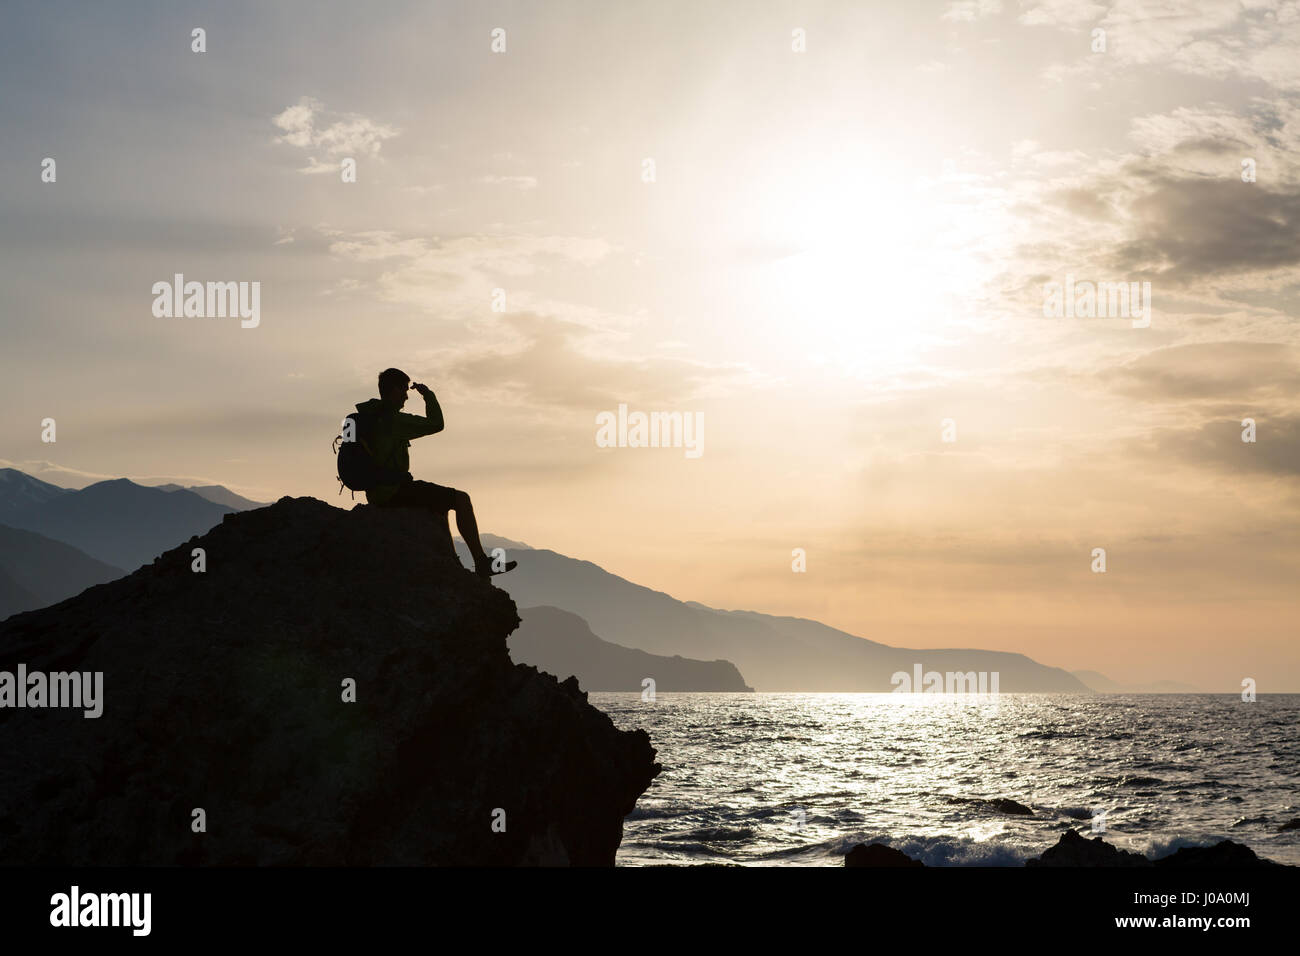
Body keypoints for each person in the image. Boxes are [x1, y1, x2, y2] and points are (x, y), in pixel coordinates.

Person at [355, 367, 516, 579]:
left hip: (377, 491)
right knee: (461, 499)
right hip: (393, 490)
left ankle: (452, 562)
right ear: (393, 390)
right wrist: (428, 395)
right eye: (403, 390)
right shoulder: (393, 420)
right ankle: (481, 562)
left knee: (439, 507)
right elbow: (436, 424)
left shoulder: (370, 415)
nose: (405, 396)